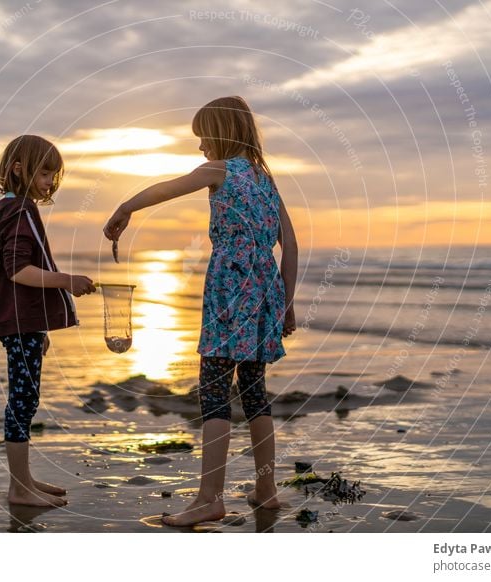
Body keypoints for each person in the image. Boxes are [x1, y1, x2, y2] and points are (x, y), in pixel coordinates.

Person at [103, 96, 298, 526]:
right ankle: (266, 491)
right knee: (254, 393)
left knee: (213, 391)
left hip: (230, 288)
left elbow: (168, 188)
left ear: (221, 133)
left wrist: (125, 208)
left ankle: (209, 498)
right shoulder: (266, 179)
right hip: (265, 289)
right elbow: (292, 245)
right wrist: (286, 302)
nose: (200, 148)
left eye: (203, 138)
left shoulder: (219, 170)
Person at [0, 134, 97, 507]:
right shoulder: (21, 210)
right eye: (45, 173)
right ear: (19, 170)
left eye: (53, 175)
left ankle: (24, 478)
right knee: (23, 399)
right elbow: (17, 270)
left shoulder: (7, 207)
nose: (51, 182)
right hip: (17, 320)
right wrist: (68, 281)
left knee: (25, 398)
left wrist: (38, 327)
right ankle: (18, 488)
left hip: (21, 320)